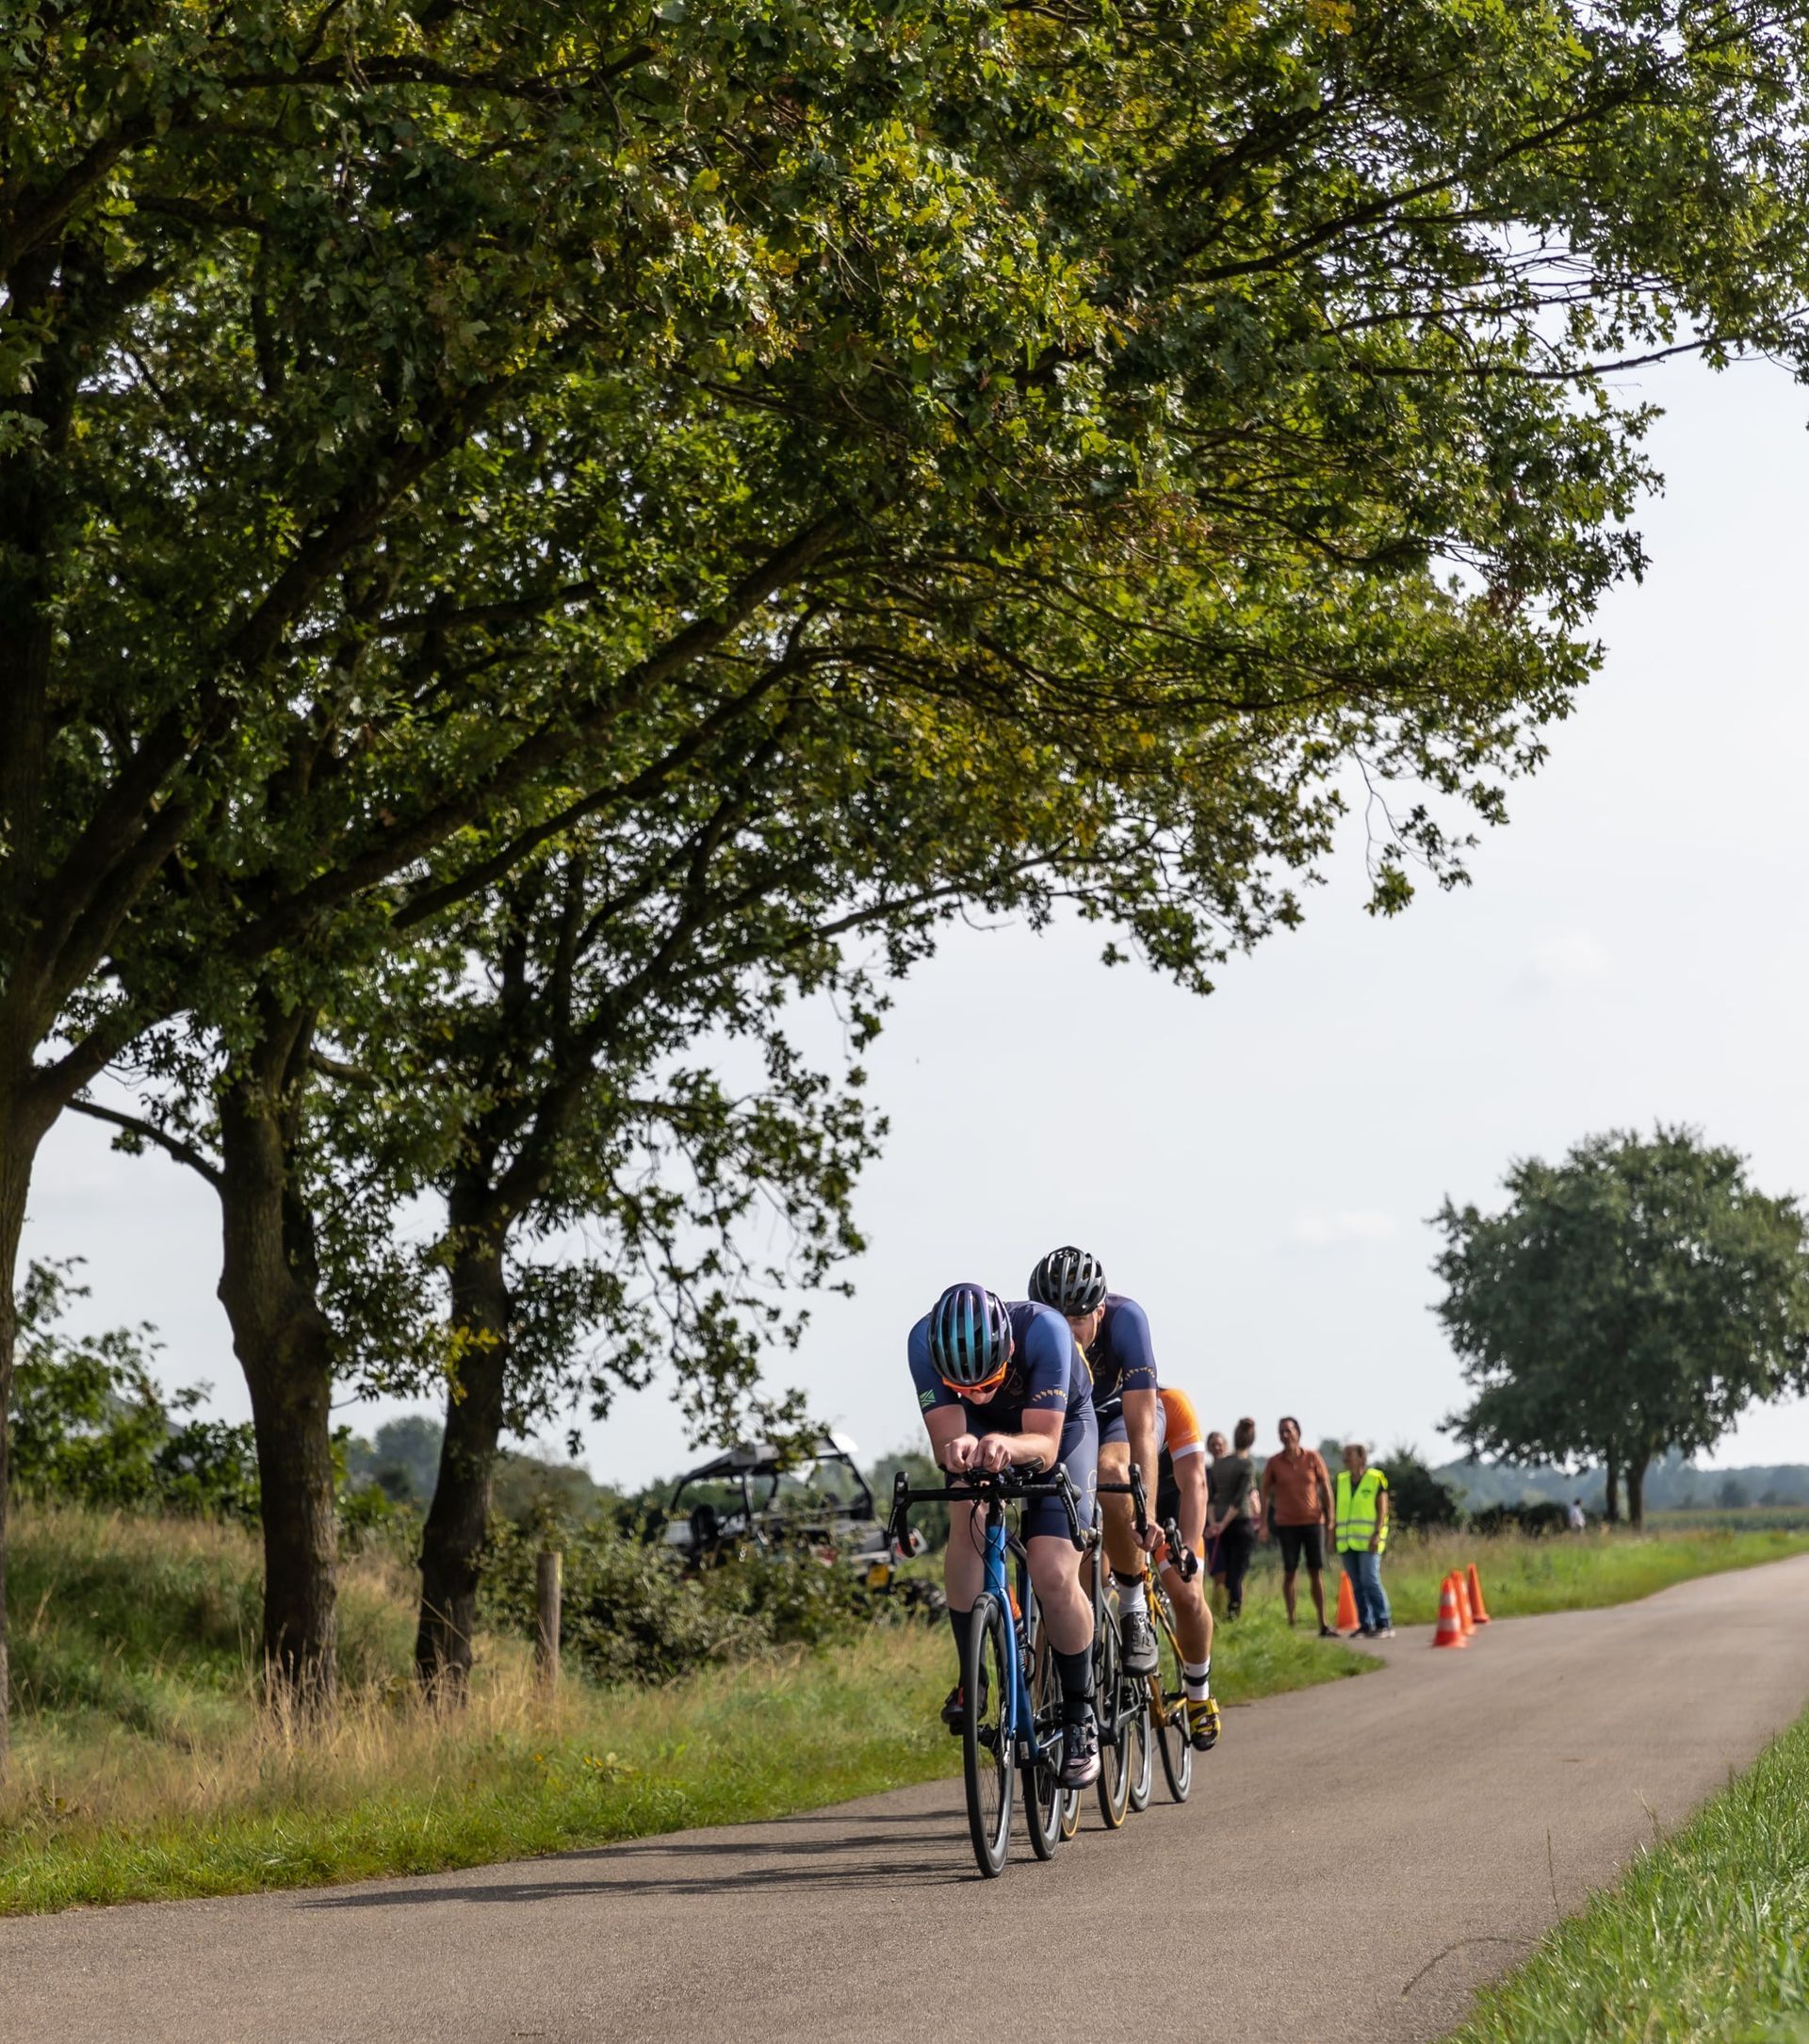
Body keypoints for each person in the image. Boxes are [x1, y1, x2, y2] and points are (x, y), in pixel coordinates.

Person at [908, 1281, 1102, 1788]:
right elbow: (949, 1436)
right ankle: (971, 1674)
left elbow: (1045, 1444)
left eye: (989, 1380)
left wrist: (1003, 1443)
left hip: (1058, 1427)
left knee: (1052, 1570)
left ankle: (1080, 1717)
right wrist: (956, 1449)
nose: (977, 1393)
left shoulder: (1045, 1332)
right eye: (964, 1387)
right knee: (965, 1512)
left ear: (1009, 1350)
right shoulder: (921, 1343)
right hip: (984, 1432)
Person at [1026, 1246, 1165, 1680]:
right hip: (1071, 1427)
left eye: (1077, 1321)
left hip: (1119, 1419)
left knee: (1109, 1474)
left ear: (1100, 1312)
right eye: (1055, 1319)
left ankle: (1133, 1605)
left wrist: (1146, 1511)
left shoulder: (1128, 1320)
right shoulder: (1030, 1331)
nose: (1065, 1333)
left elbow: (1141, 1425)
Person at [1152, 1385, 1222, 1749]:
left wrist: (1189, 1555)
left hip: (1169, 1511)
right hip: (1116, 1509)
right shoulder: (1088, 1397)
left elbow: (1195, 1482)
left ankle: (1198, 1692)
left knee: (1188, 1595)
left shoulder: (1170, 1403)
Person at [1262, 1415, 1335, 1634]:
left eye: (1289, 1431)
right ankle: (1292, 1621)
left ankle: (1323, 1622)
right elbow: (1265, 1494)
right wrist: (1263, 1524)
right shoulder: (1274, 1463)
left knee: (1316, 1571)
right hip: (1287, 1524)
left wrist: (1331, 1518)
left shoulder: (1312, 1457)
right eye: (1282, 1431)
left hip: (1313, 1522)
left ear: (1298, 1433)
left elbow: (1326, 1487)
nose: (1285, 1435)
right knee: (1290, 1572)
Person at [1333, 1442, 1393, 1638]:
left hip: (1369, 1541)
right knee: (1356, 1584)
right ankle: (1365, 1624)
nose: (1345, 1458)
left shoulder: (1376, 1479)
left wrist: (1377, 1533)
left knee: (1370, 1580)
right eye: (1344, 1454)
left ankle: (1383, 1622)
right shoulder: (1342, 1481)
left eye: (1349, 1454)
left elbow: (1382, 1510)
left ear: (1361, 1458)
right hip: (1348, 1541)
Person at [1206, 1416, 1261, 1619]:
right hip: (1239, 1524)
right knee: (1237, 1572)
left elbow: (1210, 1498)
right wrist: (1223, 1524)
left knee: (1227, 1570)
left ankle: (1226, 1612)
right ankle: (1233, 1612)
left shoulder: (1218, 1466)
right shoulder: (1246, 1465)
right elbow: (1239, 1501)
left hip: (1220, 1522)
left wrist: (1215, 1524)